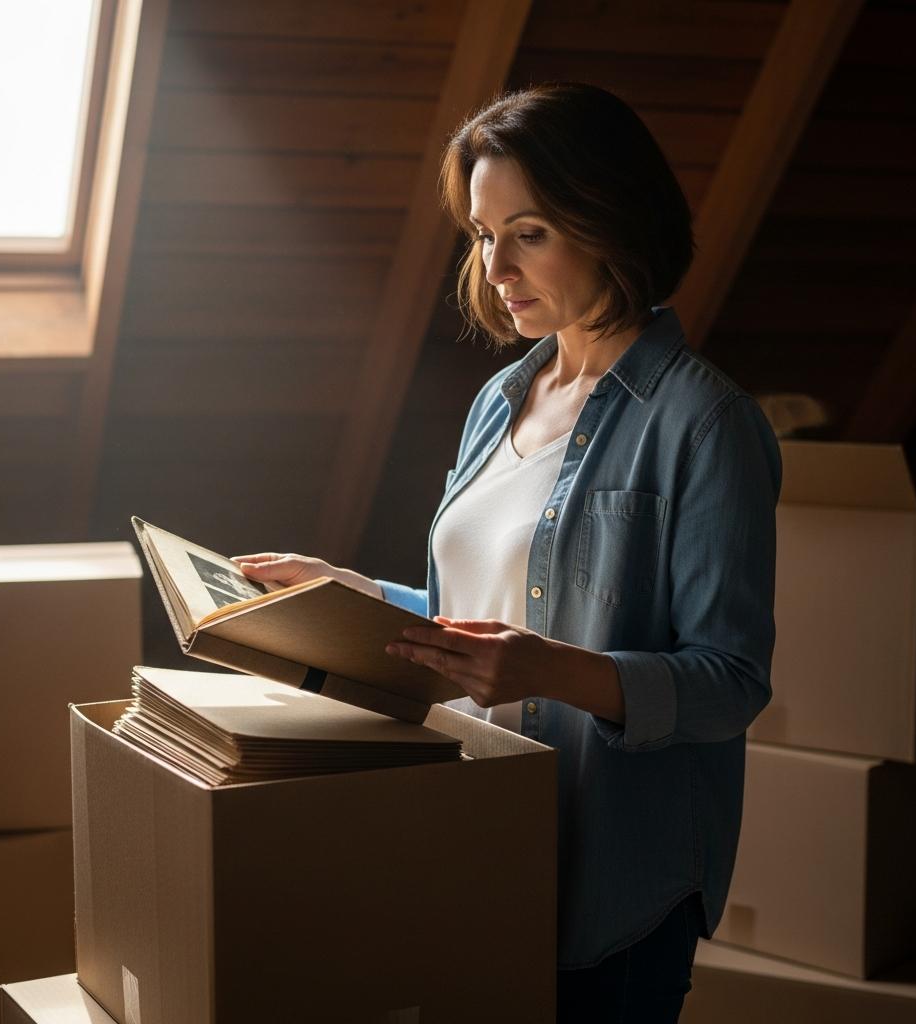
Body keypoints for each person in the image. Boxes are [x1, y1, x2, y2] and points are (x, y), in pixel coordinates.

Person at [234, 83, 781, 1024]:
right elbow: (481, 621)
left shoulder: (707, 424)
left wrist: (550, 672)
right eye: (483, 234)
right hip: (475, 839)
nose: (494, 266)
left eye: (528, 233)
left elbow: (730, 682)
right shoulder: (500, 399)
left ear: (610, 217)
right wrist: (355, 592)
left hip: (611, 878)